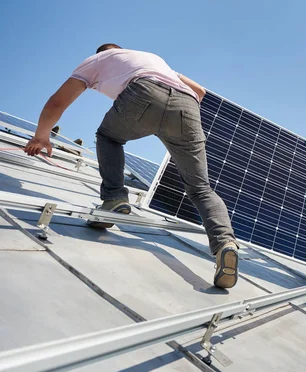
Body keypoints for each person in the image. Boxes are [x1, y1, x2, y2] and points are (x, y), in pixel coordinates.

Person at [23, 43, 239, 289]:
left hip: (144, 93)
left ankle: (115, 198)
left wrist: (41, 136)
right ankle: (225, 244)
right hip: (187, 105)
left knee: (109, 137)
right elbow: (199, 91)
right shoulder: (153, 58)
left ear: (103, 52)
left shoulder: (100, 59)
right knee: (201, 188)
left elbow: (57, 102)